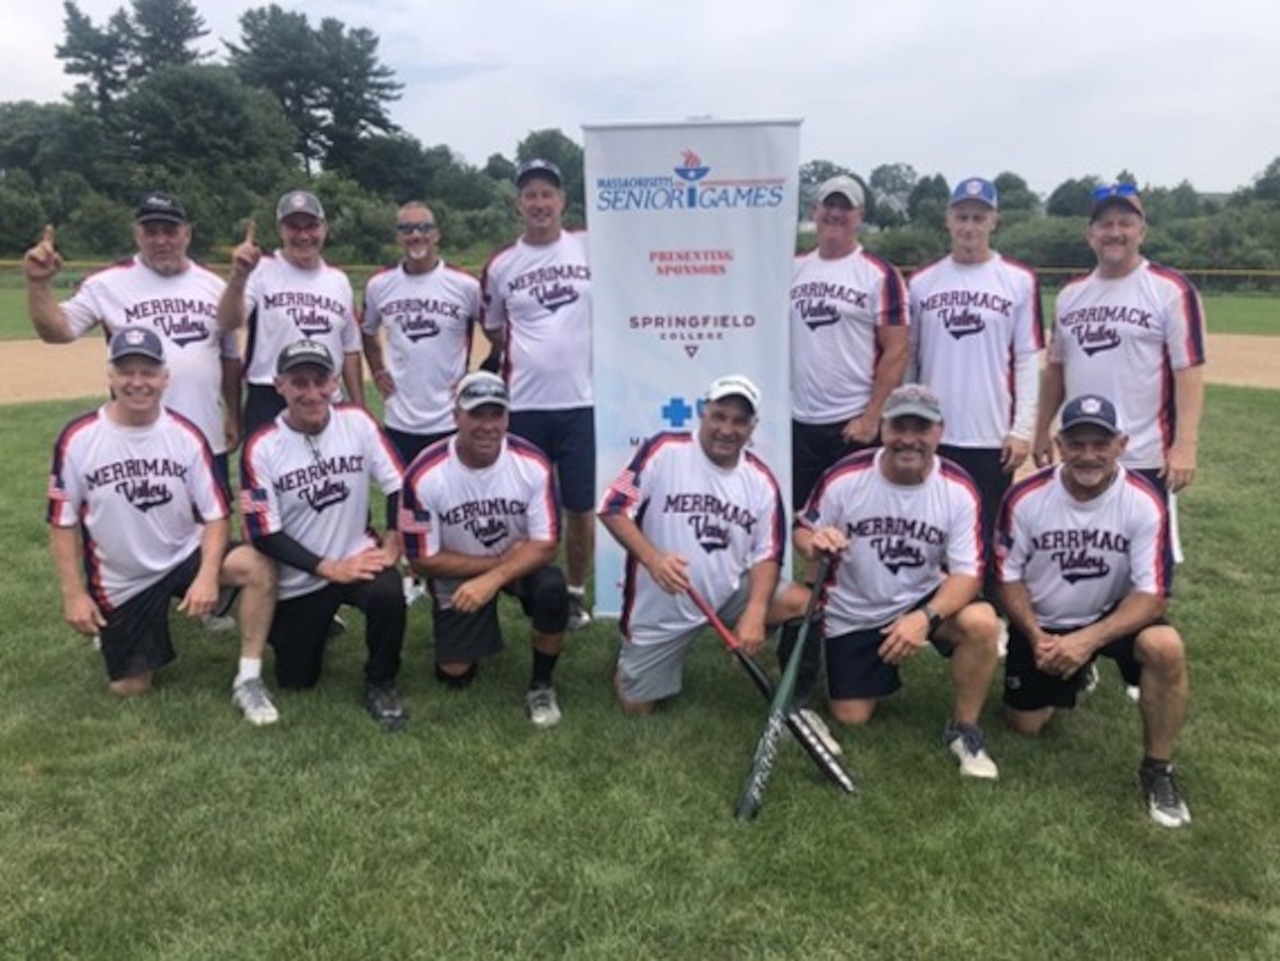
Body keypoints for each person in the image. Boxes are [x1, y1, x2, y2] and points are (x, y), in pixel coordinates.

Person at [47, 327, 278, 724]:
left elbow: (215, 515)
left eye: (148, 372)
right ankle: (116, 627)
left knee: (258, 566)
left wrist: (207, 576)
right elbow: (62, 522)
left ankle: (249, 678)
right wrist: (74, 594)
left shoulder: (186, 437)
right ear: (110, 376)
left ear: (165, 378)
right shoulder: (79, 439)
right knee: (130, 688)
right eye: (126, 371)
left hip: (183, 555)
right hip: (125, 580)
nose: (138, 382)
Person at [998, 394, 1190, 827]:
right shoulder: (1027, 497)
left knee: (1165, 645)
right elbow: (1008, 578)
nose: (1088, 455)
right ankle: (1076, 671)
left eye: (1100, 444)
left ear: (1121, 445)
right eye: (1077, 443)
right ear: (1059, 445)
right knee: (1025, 725)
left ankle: (1158, 769)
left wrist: (1087, 640)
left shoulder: (1143, 499)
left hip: (1113, 615)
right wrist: (1035, 635)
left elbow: (1153, 594)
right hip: (1047, 621)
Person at [794, 383, 1002, 779]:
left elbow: (968, 573)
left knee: (982, 622)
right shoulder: (846, 476)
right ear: (882, 429)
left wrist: (924, 617)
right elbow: (803, 530)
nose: (909, 439)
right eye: (898, 427)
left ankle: (965, 730)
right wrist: (815, 544)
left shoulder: (958, 489)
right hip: (855, 608)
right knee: (851, 717)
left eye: (921, 428)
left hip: (920, 599)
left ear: (939, 431)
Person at [598, 375, 812, 717]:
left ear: (753, 427)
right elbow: (612, 507)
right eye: (719, 416)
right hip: (664, 604)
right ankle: (634, 660)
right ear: (703, 413)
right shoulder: (662, 449)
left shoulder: (761, 481)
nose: (728, 429)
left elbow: (768, 554)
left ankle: (793, 694)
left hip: (727, 592)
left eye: (740, 421)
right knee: (636, 707)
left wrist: (755, 612)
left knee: (805, 604)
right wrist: (653, 560)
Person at [24, 191, 242, 495]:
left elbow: (229, 357)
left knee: (212, 532)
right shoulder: (107, 284)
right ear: (136, 234)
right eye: (151, 232)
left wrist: (233, 413)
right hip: (136, 443)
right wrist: (38, 284)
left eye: (170, 230)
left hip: (205, 437)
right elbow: (57, 331)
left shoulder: (214, 286)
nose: (161, 240)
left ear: (187, 234)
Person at [240, 340, 407, 730]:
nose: (312, 393)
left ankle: (382, 682)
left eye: (321, 381)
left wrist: (394, 538)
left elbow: (400, 485)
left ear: (335, 382)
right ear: (279, 385)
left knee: (388, 594)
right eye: (299, 382)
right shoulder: (263, 446)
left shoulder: (358, 422)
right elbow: (263, 533)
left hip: (357, 553)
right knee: (297, 680)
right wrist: (328, 568)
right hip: (301, 576)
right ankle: (319, 619)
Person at [400, 371, 569, 728]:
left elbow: (546, 543)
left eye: (497, 415)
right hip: (457, 570)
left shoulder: (532, 463)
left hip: (517, 563)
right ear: (456, 416)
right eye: (477, 414)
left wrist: (492, 579)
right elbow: (421, 559)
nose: (488, 426)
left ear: (508, 417)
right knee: (455, 677)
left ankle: (541, 685)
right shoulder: (424, 473)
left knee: (553, 588)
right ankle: (473, 628)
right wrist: (491, 567)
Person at [908, 177, 1043, 606]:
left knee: (986, 533)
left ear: (994, 221)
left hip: (989, 434)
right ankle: (931, 611)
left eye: (979, 217)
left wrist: (1022, 428)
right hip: (935, 433)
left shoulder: (1018, 280)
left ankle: (986, 616)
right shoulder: (923, 282)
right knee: (928, 527)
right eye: (962, 216)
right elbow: (911, 360)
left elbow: (1026, 358)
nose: (970, 226)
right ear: (948, 221)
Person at [1033, 183, 1206, 502]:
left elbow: (1189, 372)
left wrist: (1185, 446)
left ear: (1142, 232)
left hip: (1144, 456)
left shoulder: (1171, 289)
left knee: (1145, 550)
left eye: (1125, 223)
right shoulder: (1070, 295)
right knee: (1079, 546)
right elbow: (1055, 370)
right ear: (1090, 235)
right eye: (1105, 224)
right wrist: (1042, 429)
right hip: (1079, 452)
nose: (1115, 232)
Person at [481, 159, 595, 630]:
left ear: (562, 201)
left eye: (548, 193)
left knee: (580, 507)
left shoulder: (590, 247)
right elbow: (494, 331)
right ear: (519, 204)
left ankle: (574, 590)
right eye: (530, 195)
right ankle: (520, 583)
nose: (540, 203)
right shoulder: (502, 264)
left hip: (581, 401)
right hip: (524, 403)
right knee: (516, 503)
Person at [789, 174, 909, 511]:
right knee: (803, 520)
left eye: (846, 207)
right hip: (800, 418)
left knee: (857, 517)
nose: (836, 213)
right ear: (815, 210)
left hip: (851, 420)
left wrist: (872, 417)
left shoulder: (879, 274)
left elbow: (896, 349)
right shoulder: (793, 268)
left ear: (860, 216)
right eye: (829, 204)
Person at [219, 189, 366, 439]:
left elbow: (351, 349)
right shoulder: (261, 270)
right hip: (270, 393)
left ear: (324, 228)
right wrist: (239, 277)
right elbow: (229, 322)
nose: (303, 235)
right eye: (293, 227)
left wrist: (359, 408)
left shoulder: (338, 281)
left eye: (311, 226)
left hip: (324, 394)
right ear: (281, 230)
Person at [361, 200, 483, 464]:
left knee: (451, 501)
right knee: (403, 500)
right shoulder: (379, 286)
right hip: (400, 417)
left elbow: (499, 332)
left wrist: (480, 374)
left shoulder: (465, 286)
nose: (416, 235)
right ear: (398, 237)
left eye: (424, 227)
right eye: (407, 229)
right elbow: (367, 332)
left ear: (436, 234)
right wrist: (377, 369)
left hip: (451, 417)